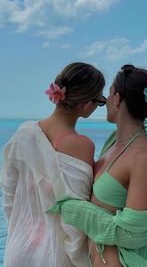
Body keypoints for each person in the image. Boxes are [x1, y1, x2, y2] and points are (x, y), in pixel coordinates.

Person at [49, 64, 147, 267]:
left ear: (117, 99)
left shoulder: (142, 157)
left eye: (110, 93)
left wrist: (71, 209)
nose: (104, 102)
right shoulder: (114, 140)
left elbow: (133, 233)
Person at [1, 62, 106, 267]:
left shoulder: (23, 134)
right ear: (85, 103)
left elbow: (8, 194)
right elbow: (76, 216)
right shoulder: (82, 145)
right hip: (55, 254)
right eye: (99, 100)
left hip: (18, 249)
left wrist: (19, 230)